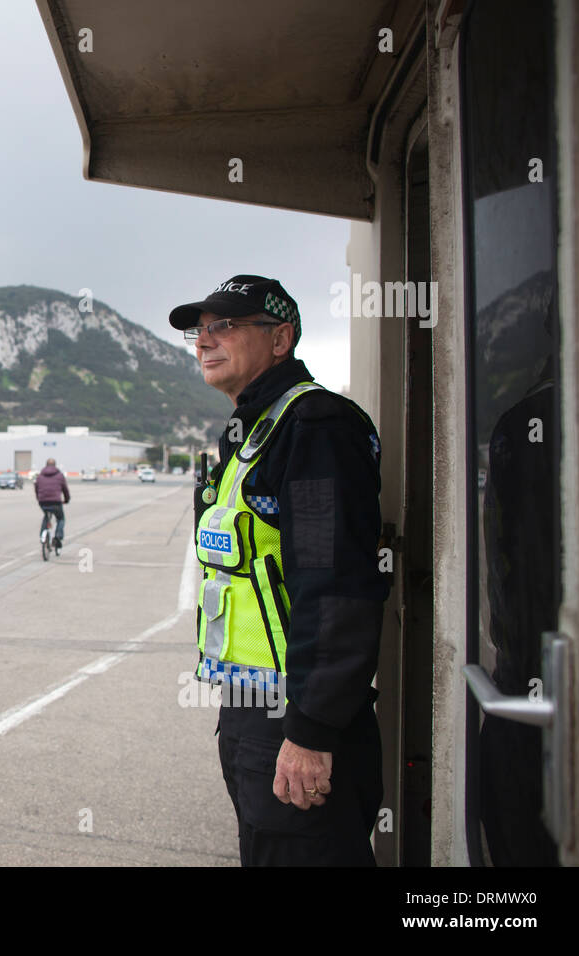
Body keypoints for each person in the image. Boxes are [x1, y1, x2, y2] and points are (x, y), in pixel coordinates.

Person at [169, 274, 390, 866]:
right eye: (200, 329)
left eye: (225, 326)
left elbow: (336, 584)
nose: (204, 341)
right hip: (251, 708)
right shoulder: (253, 431)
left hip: (296, 715)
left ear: (279, 338)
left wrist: (311, 731)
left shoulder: (312, 426)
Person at [34, 458, 70, 554]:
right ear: (55, 465)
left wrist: (39, 499)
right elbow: (65, 489)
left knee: (46, 517)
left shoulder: (40, 476)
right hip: (56, 502)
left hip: (43, 502)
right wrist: (66, 500)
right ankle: (58, 536)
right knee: (60, 519)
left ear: (46, 465)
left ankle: (42, 536)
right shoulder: (59, 475)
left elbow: (36, 488)